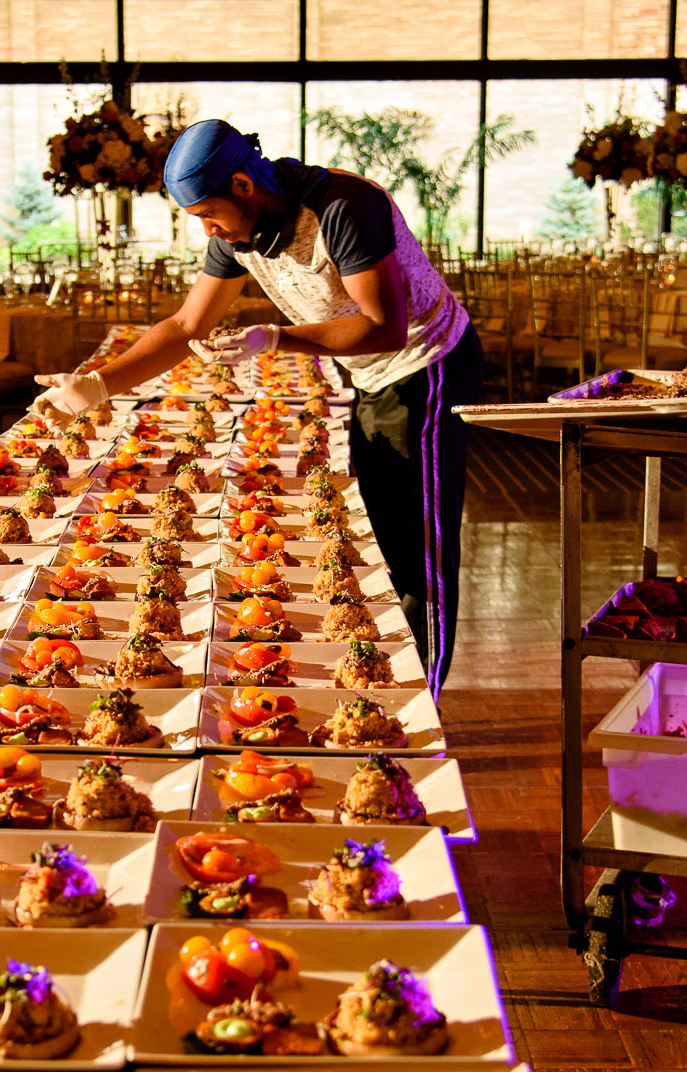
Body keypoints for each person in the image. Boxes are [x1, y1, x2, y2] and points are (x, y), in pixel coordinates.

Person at [33, 119, 479, 693]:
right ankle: (398, 688)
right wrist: (94, 386)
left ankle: (428, 703)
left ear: (244, 185)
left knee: (418, 542)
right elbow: (186, 324)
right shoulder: (237, 234)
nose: (208, 231)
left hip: (427, 365)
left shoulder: (345, 206)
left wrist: (277, 337)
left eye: (207, 214)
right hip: (367, 374)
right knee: (382, 532)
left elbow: (385, 327)